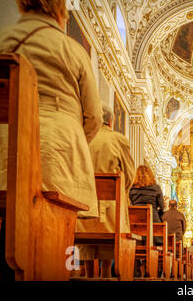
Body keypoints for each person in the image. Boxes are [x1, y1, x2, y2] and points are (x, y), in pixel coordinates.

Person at [0, 0, 102, 280]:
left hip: (3, 146)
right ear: (60, 8)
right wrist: (72, 140)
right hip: (58, 146)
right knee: (57, 225)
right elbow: (93, 117)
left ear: (22, 1)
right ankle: (58, 272)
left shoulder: (3, 39)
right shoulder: (72, 49)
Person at [76, 104, 135, 278]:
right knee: (111, 223)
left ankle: (88, 273)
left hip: (84, 201)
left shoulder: (83, 137)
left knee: (85, 226)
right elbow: (130, 175)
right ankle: (106, 272)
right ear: (111, 121)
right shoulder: (118, 139)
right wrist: (120, 187)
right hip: (111, 205)